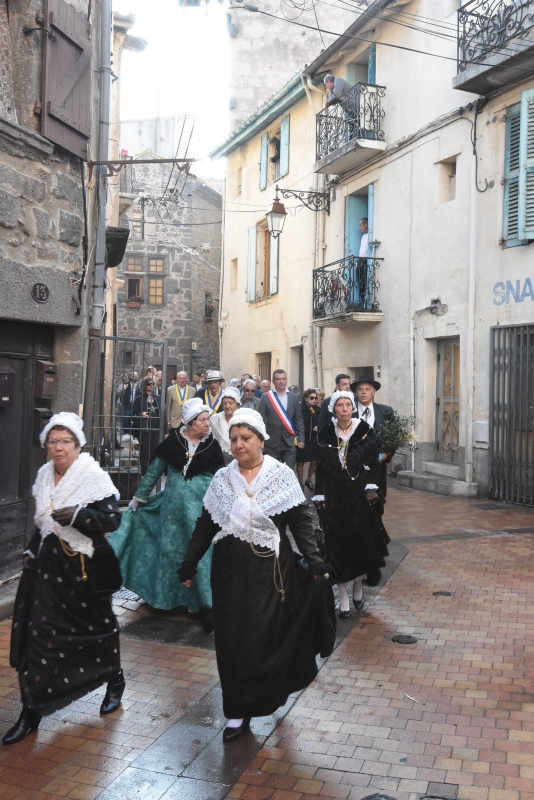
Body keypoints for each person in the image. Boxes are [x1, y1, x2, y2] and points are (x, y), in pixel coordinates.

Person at [179, 409, 335, 743]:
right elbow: (205, 526)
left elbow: (300, 522)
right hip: (229, 576)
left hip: (271, 576)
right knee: (232, 642)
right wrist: (189, 564)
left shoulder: (281, 476)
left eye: (245, 438)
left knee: (265, 639)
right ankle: (237, 711)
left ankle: (269, 693)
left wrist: (316, 561)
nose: (238, 445)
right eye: (233, 439)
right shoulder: (223, 479)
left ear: (261, 440)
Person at [3, 413, 124, 746]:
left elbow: (112, 519)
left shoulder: (92, 475)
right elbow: (43, 524)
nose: (58, 448)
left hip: (82, 570)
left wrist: (79, 515)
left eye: (65, 441)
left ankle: (114, 679)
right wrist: (31, 550)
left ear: (78, 444)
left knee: (95, 630)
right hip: (46, 571)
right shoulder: (44, 475)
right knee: (38, 637)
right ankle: (32, 711)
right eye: (53, 442)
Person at [110, 399, 225, 613]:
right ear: (190, 423)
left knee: (198, 552)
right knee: (171, 552)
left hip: (201, 509)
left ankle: (196, 603)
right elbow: (154, 471)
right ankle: (166, 600)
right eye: (202, 420)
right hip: (172, 511)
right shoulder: (173, 442)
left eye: (208, 419)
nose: (207, 424)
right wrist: (138, 499)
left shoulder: (212, 445)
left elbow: (221, 478)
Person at [313, 392, 389, 619]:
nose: (344, 409)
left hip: (359, 495)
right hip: (335, 496)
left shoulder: (364, 430)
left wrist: (371, 487)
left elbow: (373, 462)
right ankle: (344, 597)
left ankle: (358, 586)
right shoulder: (326, 432)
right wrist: (319, 496)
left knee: (360, 545)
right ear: (333, 409)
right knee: (338, 547)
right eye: (340, 405)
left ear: (352, 408)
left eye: (348, 405)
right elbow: (321, 468)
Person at [351, 375, 396, 499]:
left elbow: (394, 437)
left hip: (378, 468)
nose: (364, 392)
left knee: (377, 502)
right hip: (353, 467)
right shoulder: (348, 411)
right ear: (356, 392)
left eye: (367, 389)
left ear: (373, 392)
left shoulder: (385, 411)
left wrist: (385, 455)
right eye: (360, 389)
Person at [259, 369, 305, 469]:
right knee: (271, 472)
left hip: (289, 442)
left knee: (289, 472)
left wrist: (301, 438)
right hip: (271, 442)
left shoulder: (294, 397)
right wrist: (260, 439)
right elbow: (260, 420)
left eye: (283, 379)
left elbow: (299, 419)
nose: (281, 382)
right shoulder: (266, 397)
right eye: (278, 379)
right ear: (273, 381)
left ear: (286, 380)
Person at [132, 377, 163, 474]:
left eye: (153, 384)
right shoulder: (139, 399)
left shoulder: (158, 398)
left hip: (156, 428)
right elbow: (133, 414)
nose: (151, 386)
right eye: (149, 384)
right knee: (144, 452)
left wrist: (165, 431)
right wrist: (141, 414)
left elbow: (164, 414)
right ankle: (145, 473)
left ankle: (152, 473)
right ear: (144, 385)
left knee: (155, 451)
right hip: (144, 428)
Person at [210, 387, 242, 464]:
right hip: (217, 459)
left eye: (231, 403)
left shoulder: (243, 419)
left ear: (237, 404)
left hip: (239, 458)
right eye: (225, 403)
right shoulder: (215, 418)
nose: (228, 406)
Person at [297, 389, 319, 491]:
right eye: (312, 398)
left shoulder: (318, 410)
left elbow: (322, 420)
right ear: (306, 398)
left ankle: (309, 480)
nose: (314, 400)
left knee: (314, 460)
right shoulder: (300, 409)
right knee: (300, 462)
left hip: (313, 438)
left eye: (316, 398)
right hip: (302, 438)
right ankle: (300, 483)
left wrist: (318, 426)